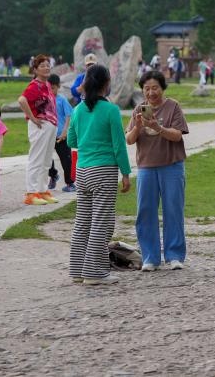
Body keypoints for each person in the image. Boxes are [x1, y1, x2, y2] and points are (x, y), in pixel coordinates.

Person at [68, 64, 132, 285]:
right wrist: (126, 173)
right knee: (101, 223)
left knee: (82, 221)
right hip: (103, 171)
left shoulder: (78, 109)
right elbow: (119, 145)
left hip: (83, 171)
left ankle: (77, 270)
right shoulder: (111, 110)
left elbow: (71, 141)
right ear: (106, 84)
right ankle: (95, 272)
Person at [125, 71, 189, 272]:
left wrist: (157, 127)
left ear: (162, 88)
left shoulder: (173, 107)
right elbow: (129, 139)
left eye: (155, 87)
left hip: (171, 166)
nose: (151, 92)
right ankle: (150, 257)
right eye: (146, 88)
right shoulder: (138, 109)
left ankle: (174, 255)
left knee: (173, 210)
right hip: (146, 167)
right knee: (145, 212)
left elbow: (177, 136)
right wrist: (137, 126)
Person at [18, 54, 59, 206]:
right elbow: (22, 100)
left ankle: (42, 190)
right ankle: (31, 192)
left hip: (50, 125)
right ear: (35, 69)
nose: (46, 67)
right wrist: (32, 118)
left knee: (46, 160)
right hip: (40, 126)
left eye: (48, 65)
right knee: (36, 159)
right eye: (42, 66)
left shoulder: (47, 84)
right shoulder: (34, 85)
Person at [47, 74, 75, 193]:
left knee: (66, 160)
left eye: (53, 88)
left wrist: (65, 131)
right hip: (48, 135)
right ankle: (53, 175)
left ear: (58, 87)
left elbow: (69, 114)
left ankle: (70, 183)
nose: (51, 90)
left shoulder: (62, 99)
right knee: (46, 159)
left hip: (61, 136)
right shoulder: (46, 100)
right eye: (49, 88)